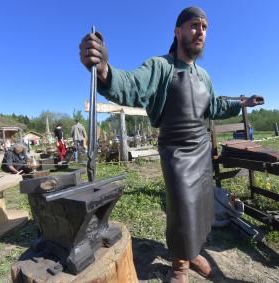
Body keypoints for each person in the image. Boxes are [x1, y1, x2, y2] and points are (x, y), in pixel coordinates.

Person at [79, 7, 263, 282]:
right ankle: (179, 266)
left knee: (201, 207)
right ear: (177, 32)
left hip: (201, 149)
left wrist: (242, 103)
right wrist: (105, 70)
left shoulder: (204, 76)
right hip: (176, 151)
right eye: (193, 25)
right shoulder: (161, 66)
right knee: (182, 208)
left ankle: (194, 252)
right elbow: (132, 85)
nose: (200, 31)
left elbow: (214, 106)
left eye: (204, 27)